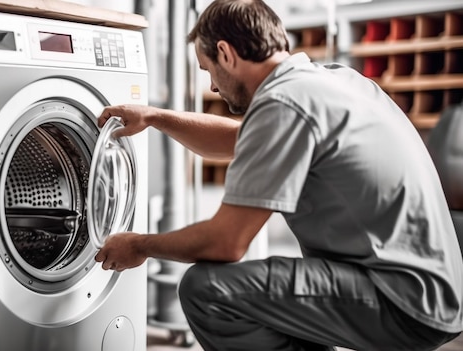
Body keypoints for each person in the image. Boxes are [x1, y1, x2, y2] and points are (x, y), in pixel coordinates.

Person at [94, 0, 463, 350]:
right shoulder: (332, 81)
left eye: (208, 70)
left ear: (226, 53)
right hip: (436, 289)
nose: (211, 87)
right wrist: (156, 117)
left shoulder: (283, 104)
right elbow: (239, 139)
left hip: (405, 300)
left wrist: (140, 245)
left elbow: (225, 244)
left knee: (207, 290)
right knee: (264, 294)